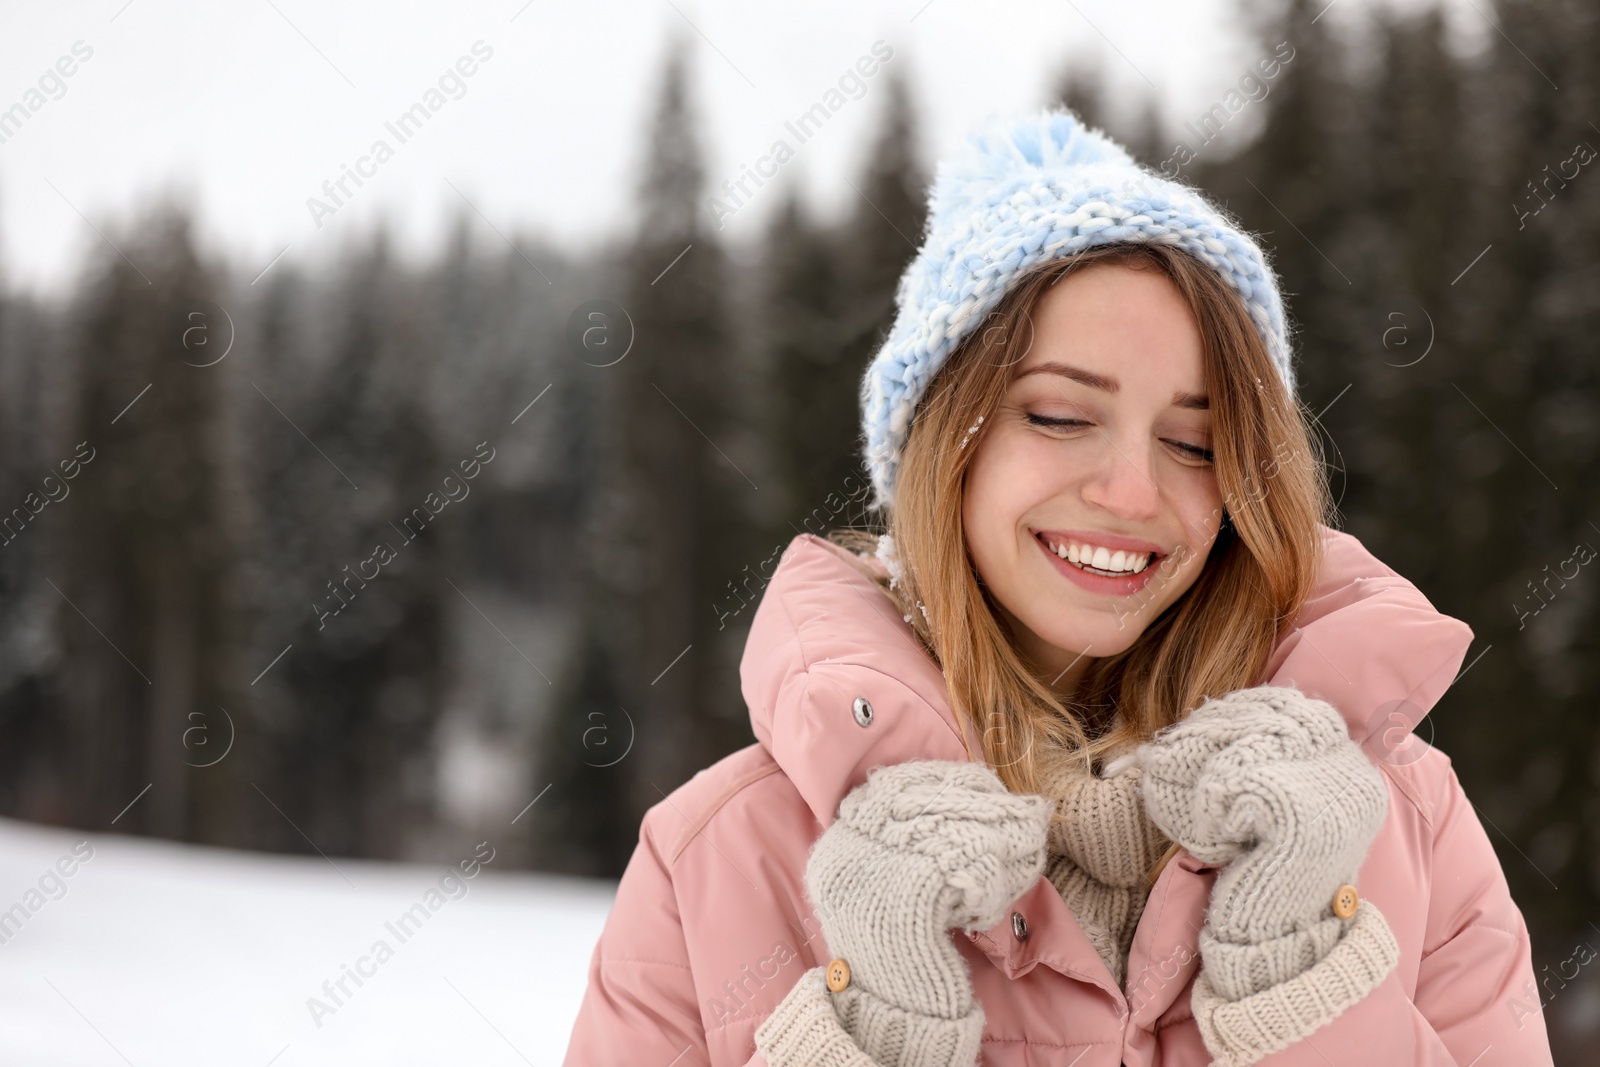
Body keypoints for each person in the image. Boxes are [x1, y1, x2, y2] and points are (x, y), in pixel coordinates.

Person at [562, 108, 1552, 1066]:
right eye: (1058, 415)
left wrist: (1304, 981)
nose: (1132, 491)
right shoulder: (719, 855)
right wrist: (875, 1035)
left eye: (1193, 441)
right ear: (942, 444)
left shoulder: (1399, 818)